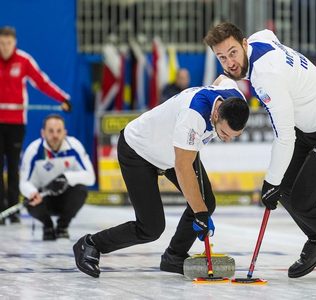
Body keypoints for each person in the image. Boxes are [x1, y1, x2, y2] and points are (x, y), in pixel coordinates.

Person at [204, 22, 316, 280]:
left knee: (303, 200)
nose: (229, 62)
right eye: (222, 57)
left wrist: (270, 181)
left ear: (245, 44)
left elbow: (284, 136)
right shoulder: (261, 39)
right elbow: (268, 33)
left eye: (233, 53)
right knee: (285, 189)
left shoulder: (266, 78)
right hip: (310, 124)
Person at [73, 75, 249, 278]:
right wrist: (200, 214)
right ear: (217, 113)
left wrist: (201, 210)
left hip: (171, 151)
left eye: (233, 136)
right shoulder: (193, 116)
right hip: (139, 150)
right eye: (224, 134)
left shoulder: (234, 97)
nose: (227, 140)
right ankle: (91, 244)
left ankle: (174, 256)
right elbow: (183, 167)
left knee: (205, 202)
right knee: (151, 227)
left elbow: (222, 78)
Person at [0, 26, 72, 225]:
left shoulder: (23, 60)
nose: (5, 47)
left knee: (13, 167)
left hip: (15, 123)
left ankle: (12, 210)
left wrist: (63, 98)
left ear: (14, 43)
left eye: (8, 43)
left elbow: (42, 82)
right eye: (2, 43)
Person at [18, 114, 94, 240]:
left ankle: (62, 226)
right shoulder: (33, 151)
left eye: (59, 131)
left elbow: (90, 177)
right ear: (43, 133)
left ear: (65, 132)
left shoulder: (75, 146)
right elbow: (23, 182)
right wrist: (32, 192)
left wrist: (66, 178)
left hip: (65, 198)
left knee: (81, 190)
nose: (55, 135)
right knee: (29, 199)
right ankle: (47, 225)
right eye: (51, 131)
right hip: (43, 199)